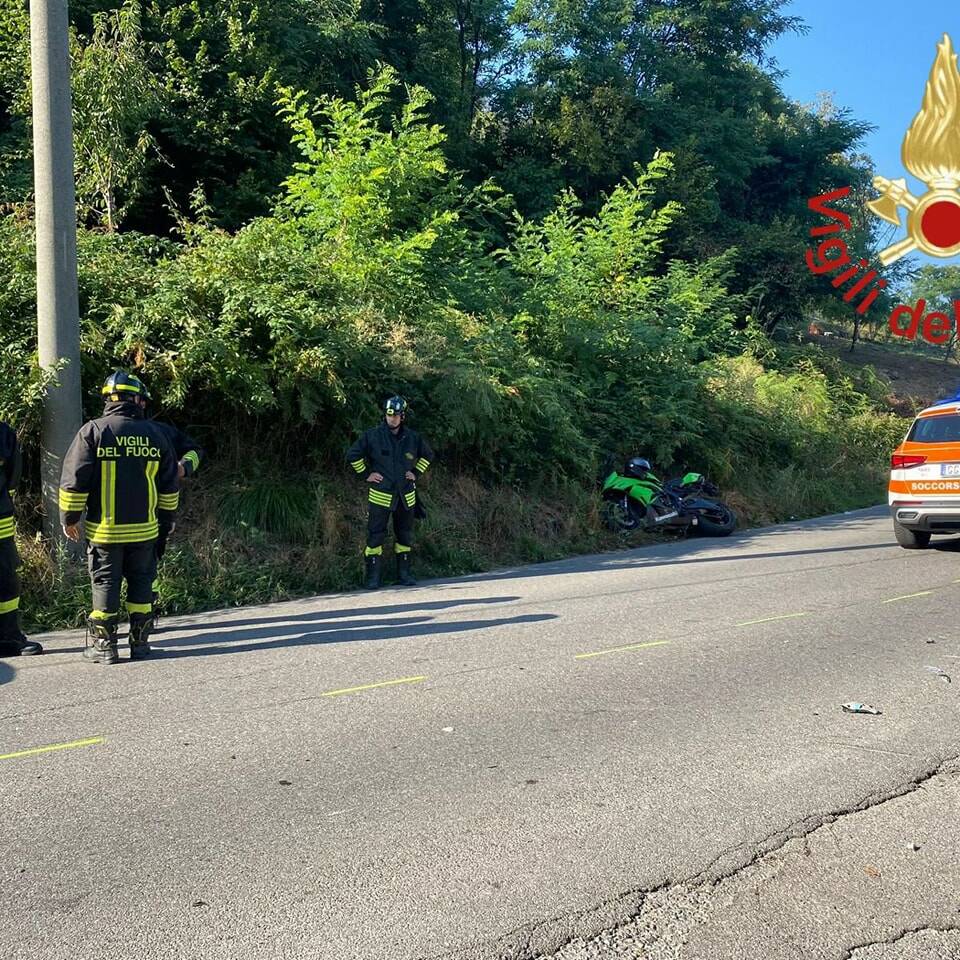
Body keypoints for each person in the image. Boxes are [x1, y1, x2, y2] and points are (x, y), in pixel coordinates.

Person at [58, 371, 179, 663]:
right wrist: (167, 520)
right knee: (141, 584)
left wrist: (69, 518)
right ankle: (140, 645)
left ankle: (105, 647)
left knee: (105, 584)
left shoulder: (93, 432)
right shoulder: (155, 434)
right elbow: (169, 484)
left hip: (106, 533)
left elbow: (74, 481)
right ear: (136, 400)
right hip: (145, 533)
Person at [345, 395, 433, 589]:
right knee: (375, 536)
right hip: (381, 495)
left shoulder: (412, 438)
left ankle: (404, 574)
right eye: (388, 415)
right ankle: (373, 578)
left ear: (403, 416)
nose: (391, 419)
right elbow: (352, 455)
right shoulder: (373, 436)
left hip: (406, 496)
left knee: (405, 535)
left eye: (395, 416)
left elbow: (427, 455)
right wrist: (366, 474)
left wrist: (416, 473)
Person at [150, 419, 204, 614]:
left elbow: (195, 451)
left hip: (154, 507)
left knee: (148, 560)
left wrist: (184, 466)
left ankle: (147, 609)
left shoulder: (159, 430)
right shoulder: (104, 430)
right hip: (116, 514)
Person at [0, 421, 42, 656]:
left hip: (0, 523)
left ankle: (7, 638)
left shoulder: (3, 433)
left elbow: (13, 477)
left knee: (6, 583)